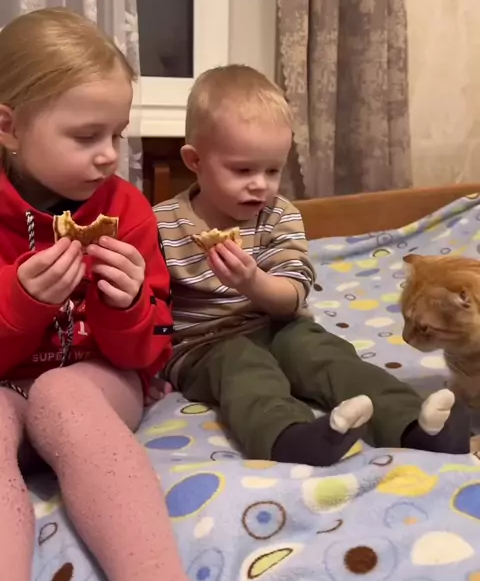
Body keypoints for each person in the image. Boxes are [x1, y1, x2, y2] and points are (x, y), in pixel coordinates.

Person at [0, 8, 219, 581]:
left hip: (94, 385)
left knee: (61, 393)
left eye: (117, 134)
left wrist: (125, 308)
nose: (108, 155)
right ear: (8, 127)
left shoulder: (127, 211)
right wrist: (19, 302)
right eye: (85, 135)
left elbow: (150, 352)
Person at [155, 64, 471, 465]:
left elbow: (291, 295)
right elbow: (149, 306)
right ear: (195, 160)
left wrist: (252, 281)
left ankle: (415, 426)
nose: (260, 184)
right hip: (203, 345)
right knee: (242, 366)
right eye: (242, 170)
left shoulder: (279, 215)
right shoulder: (160, 225)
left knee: (327, 355)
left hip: (277, 322)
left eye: (273, 170)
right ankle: (288, 437)